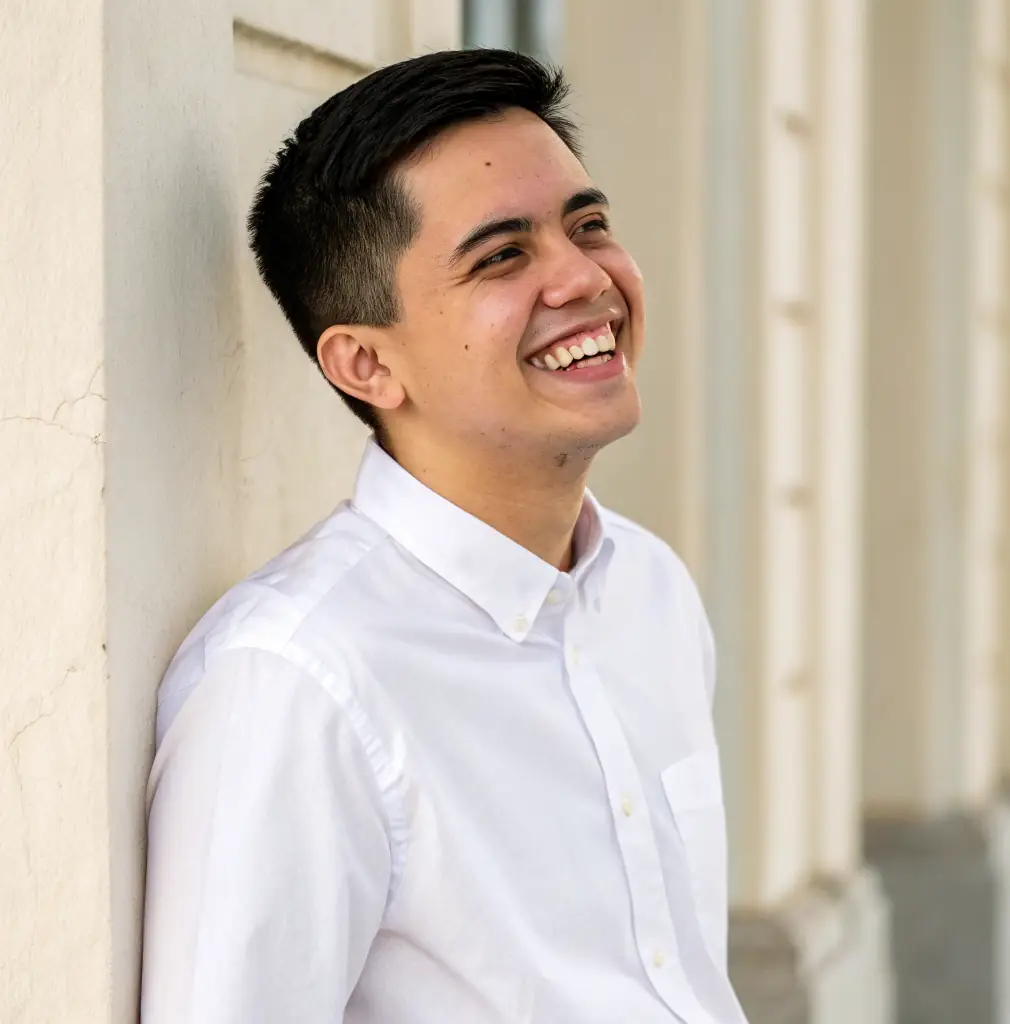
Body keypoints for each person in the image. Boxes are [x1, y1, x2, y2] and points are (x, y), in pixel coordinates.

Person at [140, 48, 748, 1024]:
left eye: (587, 224)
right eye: (502, 256)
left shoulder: (651, 589)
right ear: (366, 365)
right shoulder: (296, 682)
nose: (583, 276)